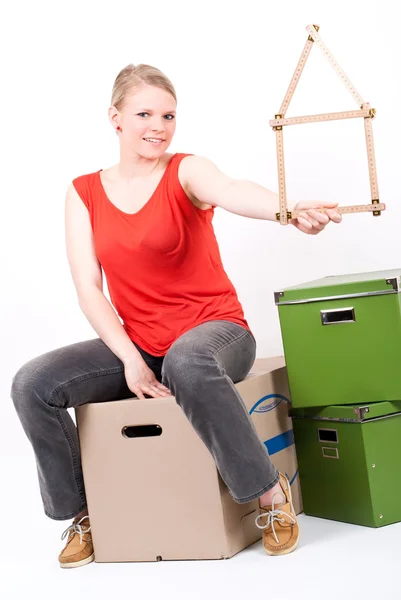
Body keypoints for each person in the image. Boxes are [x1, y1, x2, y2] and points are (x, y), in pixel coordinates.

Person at [10, 63, 342, 569]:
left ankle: (268, 494)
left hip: (217, 331)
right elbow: (88, 289)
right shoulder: (84, 192)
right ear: (115, 117)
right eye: (144, 113)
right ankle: (85, 514)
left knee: (186, 363)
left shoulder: (186, 169)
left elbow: (232, 190)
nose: (158, 126)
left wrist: (288, 208)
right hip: (140, 342)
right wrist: (130, 360)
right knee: (33, 383)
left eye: (168, 115)